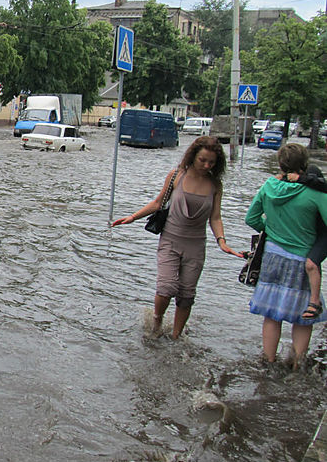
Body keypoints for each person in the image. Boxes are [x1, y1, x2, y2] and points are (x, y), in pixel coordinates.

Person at [112, 136, 243, 338]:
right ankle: (156, 322)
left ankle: (176, 336)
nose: (207, 165)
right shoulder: (176, 176)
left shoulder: (215, 185)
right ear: (193, 156)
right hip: (170, 240)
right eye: (203, 160)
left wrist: (222, 241)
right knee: (166, 288)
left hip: (196, 245)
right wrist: (132, 217)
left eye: (212, 162)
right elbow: (158, 203)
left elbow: (215, 217)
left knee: (186, 295)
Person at [246, 144, 327, 366]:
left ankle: (268, 361)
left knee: (272, 314)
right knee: (303, 316)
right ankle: (296, 365)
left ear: (280, 164)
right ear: (305, 164)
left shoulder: (269, 186)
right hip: (302, 258)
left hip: (272, 256)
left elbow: (251, 219)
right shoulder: (315, 192)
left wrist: (271, 228)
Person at [281, 163, 327, 310]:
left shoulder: (319, 187)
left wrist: (301, 179)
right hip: (312, 233)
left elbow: (320, 183)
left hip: (324, 234)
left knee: (311, 264)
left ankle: (315, 302)